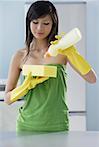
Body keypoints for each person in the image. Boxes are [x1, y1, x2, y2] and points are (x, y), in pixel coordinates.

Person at [4, 1, 96, 133]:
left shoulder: (63, 52)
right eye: (35, 22)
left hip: (57, 125)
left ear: (53, 24)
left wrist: (72, 53)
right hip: (27, 125)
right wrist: (25, 86)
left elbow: (92, 79)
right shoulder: (20, 56)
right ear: (28, 22)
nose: (39, 28)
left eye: (46, 23)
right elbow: (7, 99)